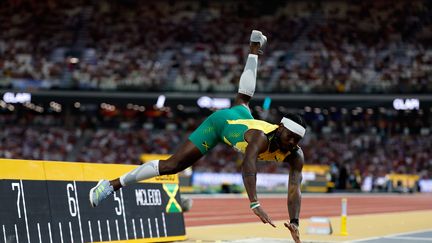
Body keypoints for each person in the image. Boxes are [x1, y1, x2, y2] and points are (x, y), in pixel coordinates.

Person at [89, 30, 305, 243]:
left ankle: (254, 49)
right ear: (279, 128)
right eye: (290, 136)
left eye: (297, 140)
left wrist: (294, 221)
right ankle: (110, 185)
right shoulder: (261, 138)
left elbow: (294, 186)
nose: (293, 143)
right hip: (221, 124)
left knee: (244, 99)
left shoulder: (295, 154)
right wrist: (254, 203)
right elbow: (249, 165)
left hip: (242, 117)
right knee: (172, 166)